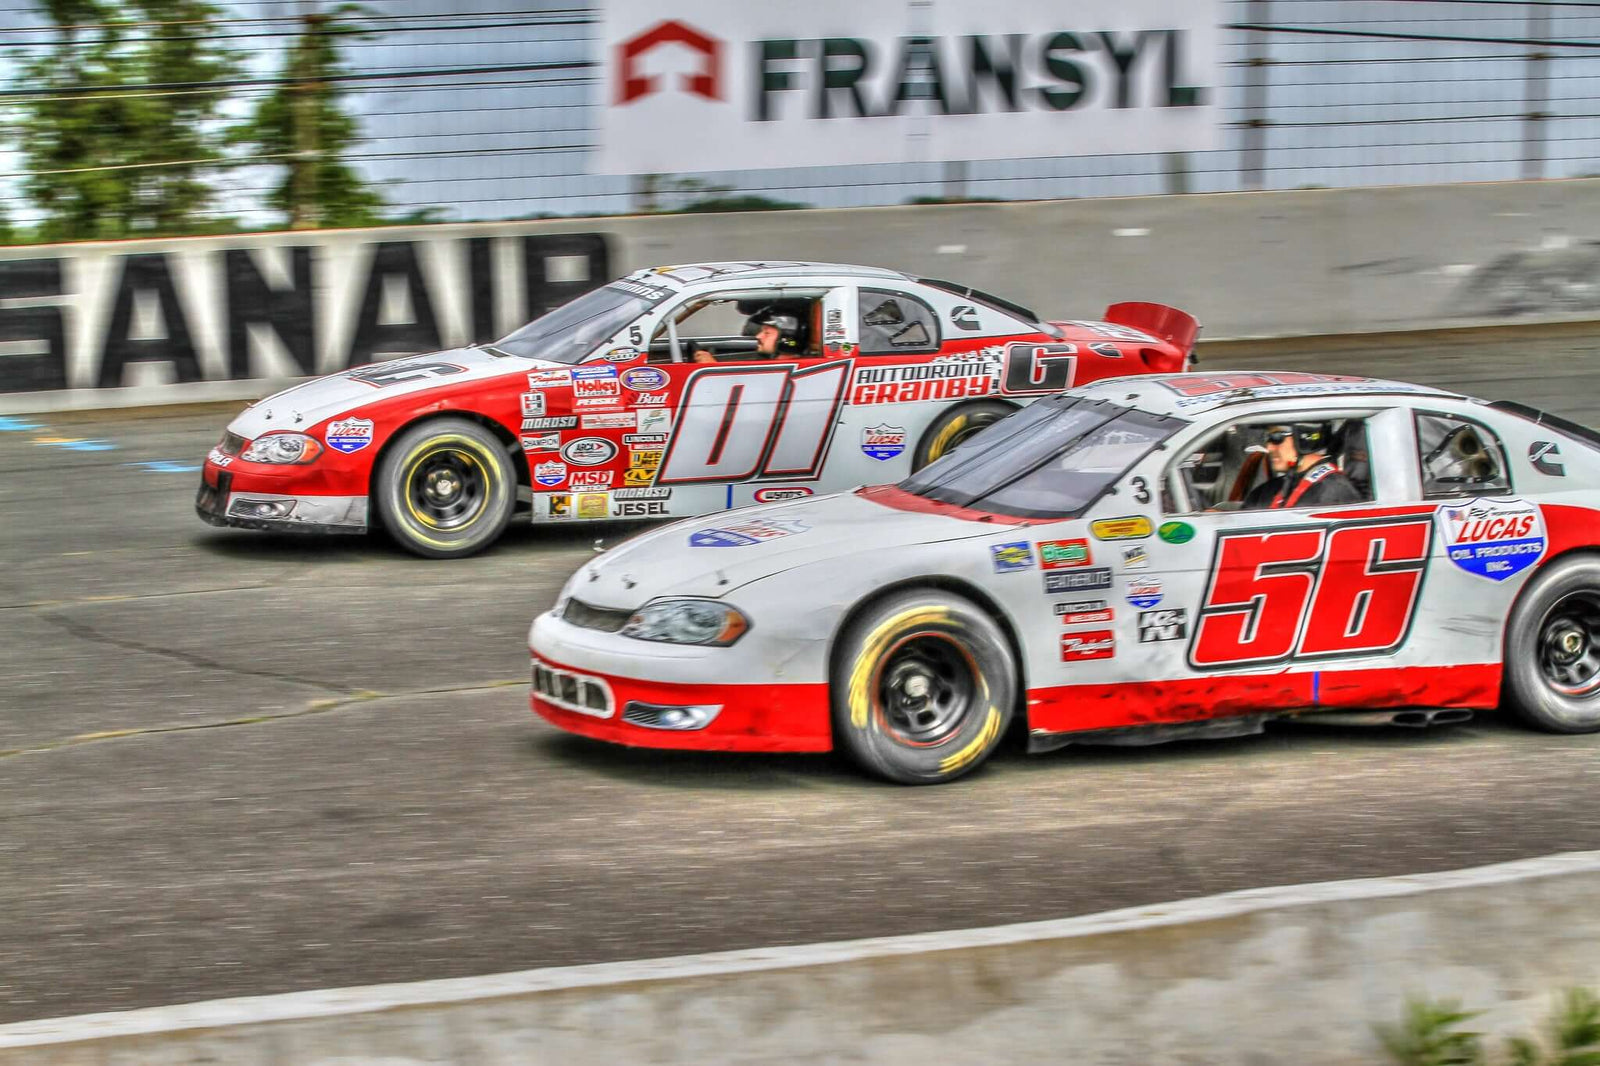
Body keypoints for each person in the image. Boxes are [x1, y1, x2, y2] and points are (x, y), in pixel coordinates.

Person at [1241, 421, 1363, 509]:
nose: (1269, 447)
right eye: (1267, 437)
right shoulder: (1268, 490)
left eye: (1276, 437)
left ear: (1304, 438)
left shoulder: (1333, 493)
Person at [693, 309, 801, 364]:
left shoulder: (788, 371)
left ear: (785, 340)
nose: (758, 336)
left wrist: (712, 369)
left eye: (766, 333)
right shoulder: (772, 364)